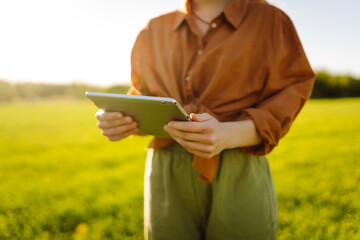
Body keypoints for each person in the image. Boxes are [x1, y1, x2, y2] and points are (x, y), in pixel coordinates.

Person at [95, 0, 315, 239]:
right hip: (166, 168)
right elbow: (143, 94)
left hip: (238, 163)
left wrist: (228, 134)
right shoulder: (154, 29)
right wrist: (116, 117)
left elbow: (290, 92)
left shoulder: (270, 20)